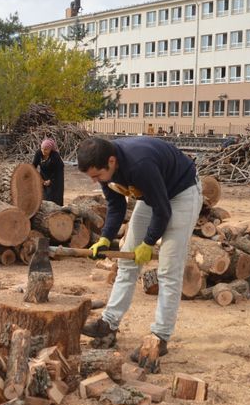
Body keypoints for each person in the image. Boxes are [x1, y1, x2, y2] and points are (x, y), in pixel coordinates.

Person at [76, 136, 201, 362]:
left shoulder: (139, 164)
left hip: (182, 193)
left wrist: (149, 242)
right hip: (151, 194)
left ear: (111, 161)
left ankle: (160, 337)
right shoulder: (106, 168)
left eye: (97, 176)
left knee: (168, 270)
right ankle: (108, 324)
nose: (95, 181)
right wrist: (106, 238)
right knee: (127, 263)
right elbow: (116, 205)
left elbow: (163, 210)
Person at [32, 138, 65, 206]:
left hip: (56, 177)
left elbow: (58, 171)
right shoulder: (38, 153)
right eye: (42, 148)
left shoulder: (55, 156)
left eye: (46, 149)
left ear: (50, 149)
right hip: (43, 176)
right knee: (43, 196)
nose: (43, 151)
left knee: (54, 198)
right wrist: (39, 178)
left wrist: (51, 180)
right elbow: (33, 166)